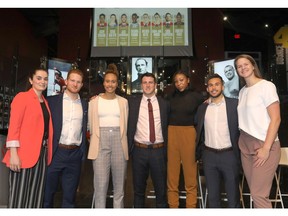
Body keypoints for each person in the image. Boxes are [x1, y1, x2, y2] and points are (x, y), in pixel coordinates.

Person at [2, 68, 53, 208]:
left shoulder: (45, 102)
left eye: (45, 79)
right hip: (22, 154)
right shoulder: (22, 97)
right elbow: (14, 127)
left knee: (35, 197)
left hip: (41, 154)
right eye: (39, 78)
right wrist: (13, 154)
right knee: (19, 198)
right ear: (31, 80)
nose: (42, 81)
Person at [234, 54, 281, 208]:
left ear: (253, 65)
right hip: (245, 146)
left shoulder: (266, 86)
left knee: (259, 195)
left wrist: (266, 148)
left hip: (264, 144)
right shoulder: (242, 92)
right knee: (255, 193)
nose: (243, 68)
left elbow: (276, 119)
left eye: (246, 64)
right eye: (239, 66)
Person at [43, 69, 88, 208]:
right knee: (47, 195)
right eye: (72, 80)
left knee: (70, 198)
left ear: (82, 85)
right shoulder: (51, 101)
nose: (75, 84)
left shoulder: (86, 105)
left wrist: (81, 153)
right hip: (56, 152)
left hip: (75, 155)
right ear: (66, 81)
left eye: (78, 82)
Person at [195, 74, 241, 208]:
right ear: (207, 88)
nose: (214, 87)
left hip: (229, 155)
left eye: (216, 84)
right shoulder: (202, 108)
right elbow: (199, 130)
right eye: (210, 85)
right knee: (213, 198)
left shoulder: (234, 105)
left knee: (233, 198)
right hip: (209, 157)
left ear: (222, 86)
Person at [88, 63, 129, 208]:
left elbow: (126, 124)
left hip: (119, 141)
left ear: (117, 84)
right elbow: (90, 125)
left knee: (119, 187)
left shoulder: (124, 102)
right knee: (100, 186)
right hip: (100, 142)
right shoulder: (94, 102)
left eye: (113, 82)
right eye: (107, 81)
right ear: (103, 82)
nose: (110, 84)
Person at [128, 72, 170, 208]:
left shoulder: (165, 104)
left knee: (161, 191)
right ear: (141, 85)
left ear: (155, 85)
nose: (147, 85)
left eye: (150, 82)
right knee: (138, 191)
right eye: (145, 82)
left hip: (159, 151)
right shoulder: (132, 102)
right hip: (139, 151)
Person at [165, 71, 204, 208]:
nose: (179, 83)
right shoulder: (169, 97)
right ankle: (173, 207)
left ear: (187, 80)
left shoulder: (197, 97)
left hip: (189, 133)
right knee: (172, 176)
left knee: (190, 175)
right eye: (176, 81)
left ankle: (191, 207)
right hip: (171, 134)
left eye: (181, 80)